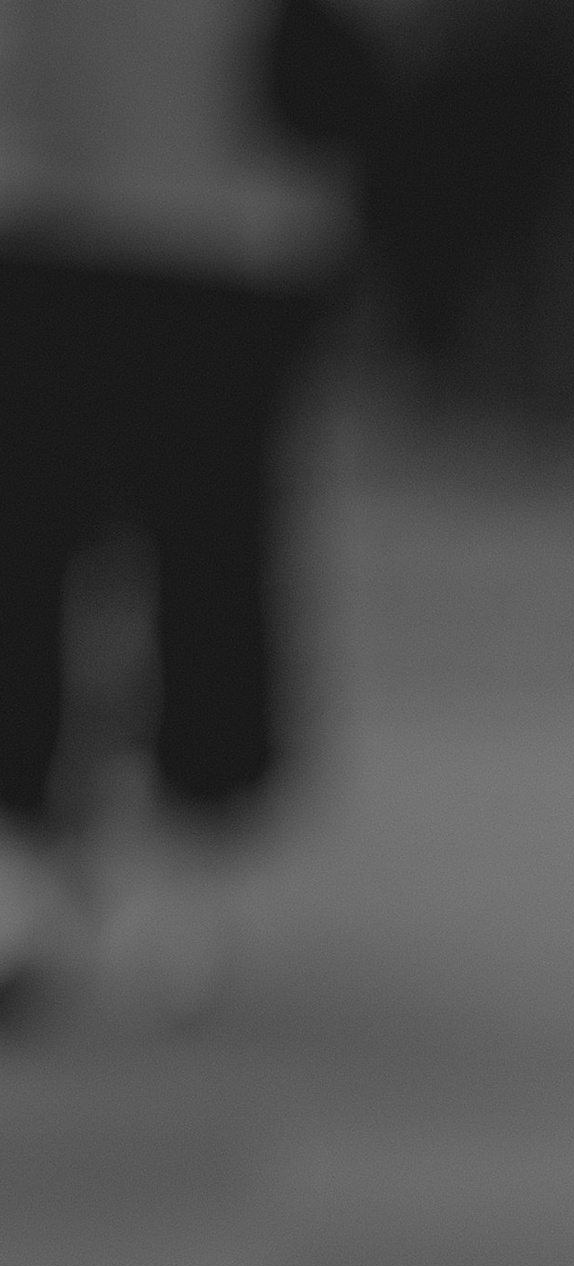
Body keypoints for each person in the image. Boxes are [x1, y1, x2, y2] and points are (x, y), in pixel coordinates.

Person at [0, 0, 377, 1018]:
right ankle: (24, 846)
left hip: (233, 213)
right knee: (22, 541)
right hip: (39, 191)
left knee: (213, 545)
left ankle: (192, 850)